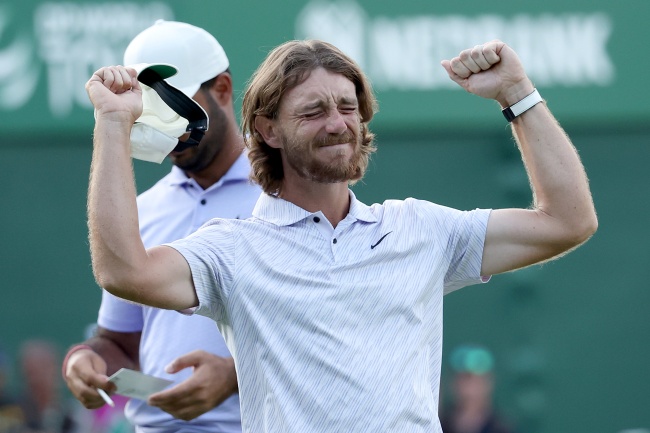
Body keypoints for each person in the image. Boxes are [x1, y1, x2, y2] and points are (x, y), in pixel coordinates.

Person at [83, 38, 597, 433]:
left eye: (347, 107)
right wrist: (112, 122)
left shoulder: (420, 228)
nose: (337, 124)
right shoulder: (232, 250)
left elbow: (568, 221)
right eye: (313, 111)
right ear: (268, 130)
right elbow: (124, 271)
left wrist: (517, 94)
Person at [63, 20, 261, 433]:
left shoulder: (285, 196)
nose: (166, 125)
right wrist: (86, 360)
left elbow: (330, 331)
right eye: (152, 109)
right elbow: (121, 341)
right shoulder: (142, 208)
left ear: (222, 90)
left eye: (177, 104)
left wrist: (234, 376)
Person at [439, 345, 514, 433]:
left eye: (476, 379)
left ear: (489, 381)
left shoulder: (502, 427)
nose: (470, 387)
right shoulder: (438, 422)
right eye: (463, 378)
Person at [18, 340, 76, 433]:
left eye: (44, 368)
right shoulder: (14, 414)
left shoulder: (74, 416)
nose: (36, 379)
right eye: (31, 372)